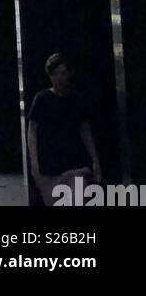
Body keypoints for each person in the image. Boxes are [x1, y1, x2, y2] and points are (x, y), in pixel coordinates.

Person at [26, 52, 101, 205]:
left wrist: (95, 160)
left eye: (63, 73)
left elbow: (85, 130)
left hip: (75, 162)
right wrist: (34, 162)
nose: (59, 78)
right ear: (50, 75)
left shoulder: (76, 99)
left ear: (69, 74)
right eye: (55, 74)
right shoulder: (42, 98)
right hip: (49, 165)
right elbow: (32, 131)